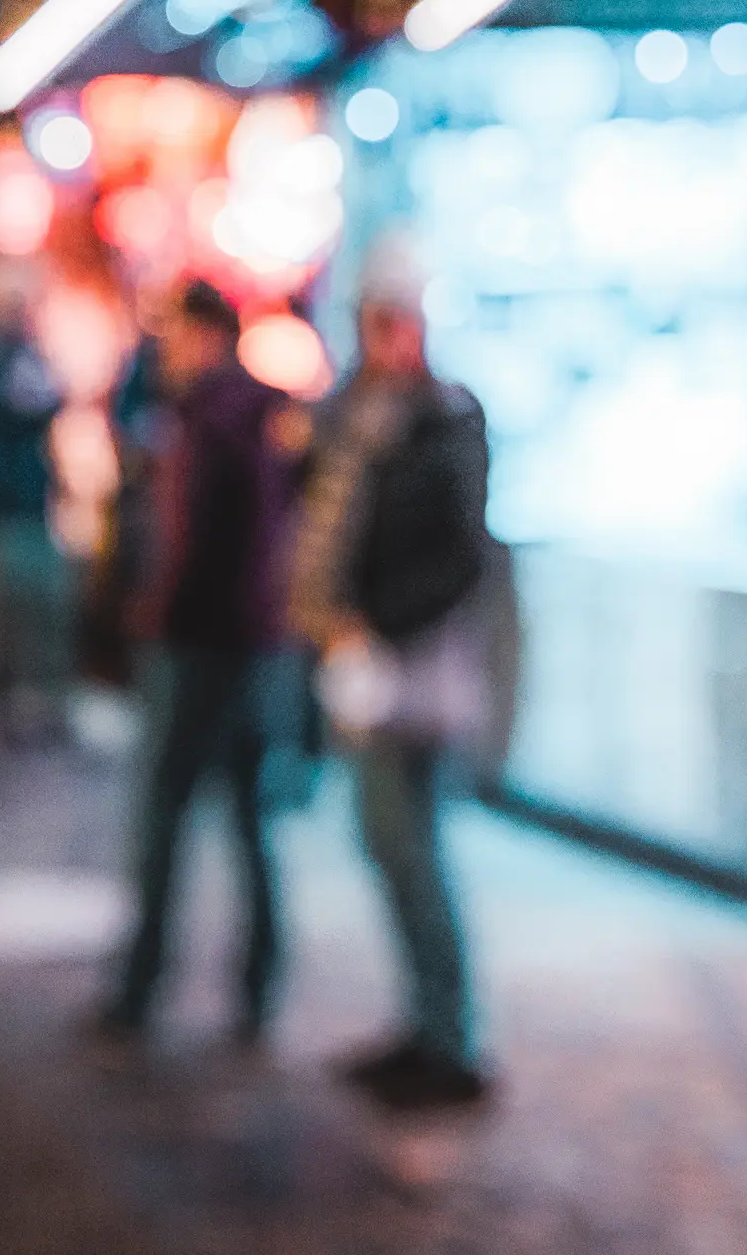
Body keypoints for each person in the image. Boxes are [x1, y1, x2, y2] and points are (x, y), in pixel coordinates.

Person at [291, 236, 496, 1110]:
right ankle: (426, 1026)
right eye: (377, 321)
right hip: (360, 660)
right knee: (388, 845)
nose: (389, 339)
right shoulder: (350, 414)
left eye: (400, 320)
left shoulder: (446, 421)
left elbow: (459, 554)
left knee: (408, 847)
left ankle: (446, 1038)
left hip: (416, 669)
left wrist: (376, 623)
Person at [98, 278, 296, 1049]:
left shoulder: (211, 419)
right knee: (250, 820)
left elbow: (198, 544)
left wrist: (157, 614)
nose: (165, 351)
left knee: (164, 815)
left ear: (206, 332)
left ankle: (143, 983)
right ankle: (256, 987)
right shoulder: (264, 414)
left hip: (201, 645)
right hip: (255, 645)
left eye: (174, 334)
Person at [0, 251, 70, 746]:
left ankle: (45, 704)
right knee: (0, 616)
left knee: (45, 609)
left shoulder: (32, 352)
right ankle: (2, 709)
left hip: (35, 503)